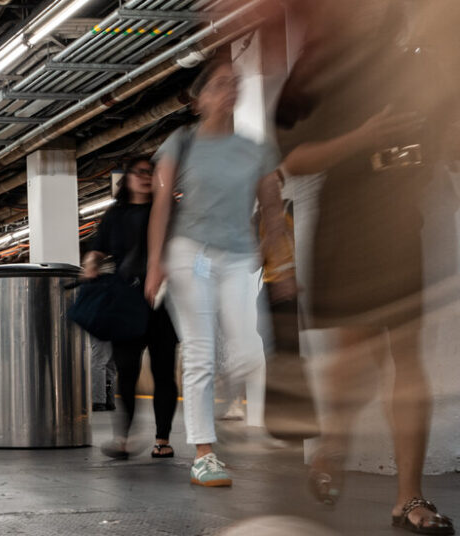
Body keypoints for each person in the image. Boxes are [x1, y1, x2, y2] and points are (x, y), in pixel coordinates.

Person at [275, 1, 456, 532]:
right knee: (354, 351)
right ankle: (331, 446)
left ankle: (410, 499)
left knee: (406, 355)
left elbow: (448, 139)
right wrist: (363, 138)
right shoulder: (316, 74)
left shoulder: (418, 65)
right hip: (346, 219)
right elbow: (294, 161)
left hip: (401, 219)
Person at [144, 58, 294, 487]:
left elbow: (270, 210)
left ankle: (225, 400)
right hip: (189, 253)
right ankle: (204, 453)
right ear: (200, 99)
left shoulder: (256, 148)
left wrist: (280, 265)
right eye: (221, 84)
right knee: (200, 352)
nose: (231, 90)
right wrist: (155, 262)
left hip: (239, 256)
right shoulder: (180, 143)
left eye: (236, 83)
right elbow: (161, 206)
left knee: (248, 351)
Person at [82, 156, 179, 460]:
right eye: (140, 172)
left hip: (163, 300)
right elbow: (98, 247)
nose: (146, 177)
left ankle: (162, 439)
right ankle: (123, 436)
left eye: (151, 172)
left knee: (163, 372)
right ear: (127, 179)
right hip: (127, 299)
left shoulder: (168, 210)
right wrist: (91, 263)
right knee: (126, 370)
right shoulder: (116, 214)